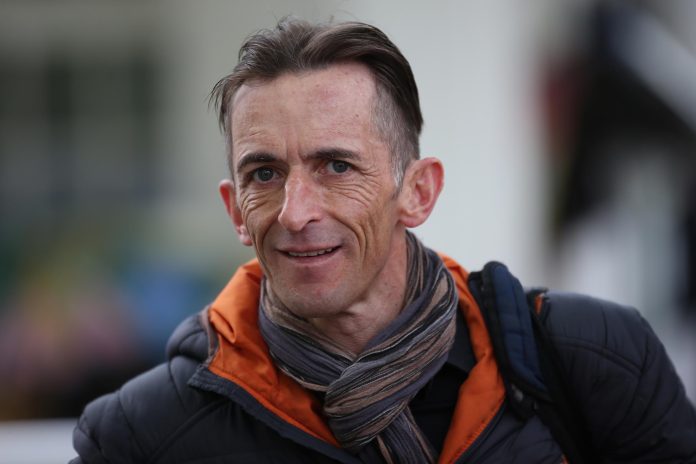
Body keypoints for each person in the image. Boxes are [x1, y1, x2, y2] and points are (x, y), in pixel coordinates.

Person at [71, 18, 696, 464]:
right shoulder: (144, 435)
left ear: (418, 192)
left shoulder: (594, 361)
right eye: (264, 174)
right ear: (236, 210)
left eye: (336, 166)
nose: (296, 212)